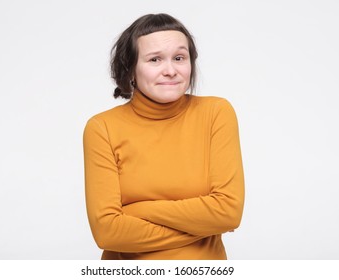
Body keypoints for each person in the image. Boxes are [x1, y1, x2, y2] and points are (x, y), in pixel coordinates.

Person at [83, 13, 245, 260]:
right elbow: (108, 232)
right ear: (131, 70)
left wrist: (139, 210)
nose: (170, 70)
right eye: (155, 59)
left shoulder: (216, 113)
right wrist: (203, 226)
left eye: (179, 58)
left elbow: (228, 213)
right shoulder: (102, 128)